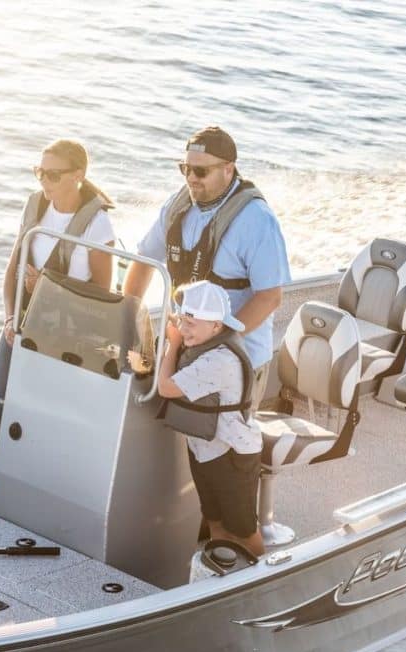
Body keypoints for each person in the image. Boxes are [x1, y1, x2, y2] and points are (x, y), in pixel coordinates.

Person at [123, 126, 291, 402]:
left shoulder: (257, 220)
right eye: (185, 169)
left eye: (200, 171)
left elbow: (270, 298)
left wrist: (216, 341)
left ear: (228, 169)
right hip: (184, 349)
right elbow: (143, 262)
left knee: (226, 442)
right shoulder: (176, 207)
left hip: (235, 358)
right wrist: (127, 321)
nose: (190, 178)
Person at [0, 139, 116, 455]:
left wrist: (48, 286)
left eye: (53, 175)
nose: (44, 181)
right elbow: (12, 270)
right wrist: (10, 318)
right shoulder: (34, 205)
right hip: (22, 320)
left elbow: (101, 297)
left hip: (66, 332)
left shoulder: (97, 224)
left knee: (43, 410)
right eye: (39, 172)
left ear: (77, 174)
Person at [158, 281, 264, 556]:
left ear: (217, 326)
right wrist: (180, 335)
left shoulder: (220, 359)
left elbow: (166, 388)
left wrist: (173, 344)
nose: (183, 329)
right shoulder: (203, 343)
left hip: (231, 454)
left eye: (191, 324)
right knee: (215, 520)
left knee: (243, 530)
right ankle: (221, 572)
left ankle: (261, 578)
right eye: (182, 321)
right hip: (204, 449)